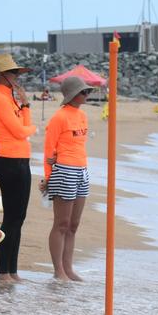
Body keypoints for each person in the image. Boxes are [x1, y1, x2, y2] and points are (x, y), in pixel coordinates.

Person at [0, 53, 36, 284]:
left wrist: (25, 104)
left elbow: (24, 126)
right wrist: (31, 127)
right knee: (11, 219)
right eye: (13, 73)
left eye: (17, 72)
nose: (17, 76)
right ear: (1, 76)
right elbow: (20, 131)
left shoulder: (10, 97)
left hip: (21, 160)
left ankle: (12, 271)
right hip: (9, 162)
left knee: (19, 218)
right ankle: (2, 272)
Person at [42, 75, 93, 282]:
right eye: (84, 92)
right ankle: (58, 270)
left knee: (74, 224)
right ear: (73, 95)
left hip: (82, 170)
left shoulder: (82, 116)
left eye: (87, 91)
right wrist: (47, 178)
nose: (87, 94)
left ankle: (68, 268)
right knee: (61, 223)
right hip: (64, 170)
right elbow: (48, 150)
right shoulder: (59, 117)